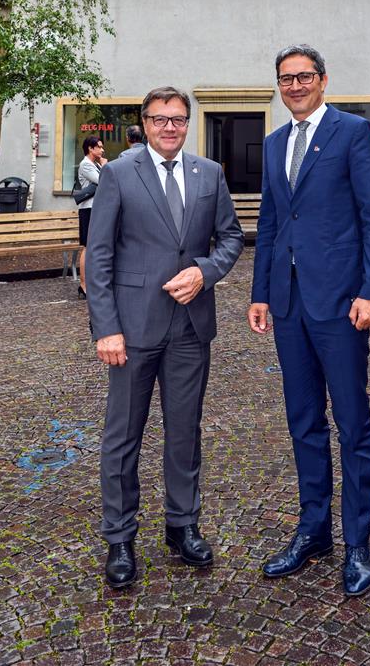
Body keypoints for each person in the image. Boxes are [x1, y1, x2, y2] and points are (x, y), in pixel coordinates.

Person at [248, 45, 370, 597]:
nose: (295, 86)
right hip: (288, 304)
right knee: (303, 422)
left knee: (353, 424)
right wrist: (261, 293)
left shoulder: (352, 133)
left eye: (304, 76)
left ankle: (357, 542)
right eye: (286, 79)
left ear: (323, 80)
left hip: (341, 303)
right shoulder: (274, 143)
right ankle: (314, 532)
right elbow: (271, 221)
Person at [86, 86, 243, 589]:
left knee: (184, 431)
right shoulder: (118, 173)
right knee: (122, 436)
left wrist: (205, 271)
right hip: (132, 329)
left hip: (190, 327)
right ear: (145, 123)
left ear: (187, 123)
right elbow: (99, 255)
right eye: (159, 119)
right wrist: (106, 328)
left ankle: (182, 525)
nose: (169, 127)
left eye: (177, 119)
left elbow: (231, 237)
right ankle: (120, 538)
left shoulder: (209, 173)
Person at [76, 135, 106, 296]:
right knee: (87, 247)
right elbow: (104, 181)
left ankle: (92, 283)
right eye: (99, 147)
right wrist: (106, 166)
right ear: (90, 148)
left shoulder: (95, 164)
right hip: (88, 209)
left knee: (95, 246)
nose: (102, 150)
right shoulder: (86, 165)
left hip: (96, 208)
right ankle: (83, 285)